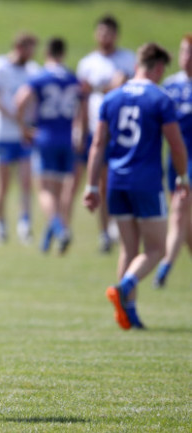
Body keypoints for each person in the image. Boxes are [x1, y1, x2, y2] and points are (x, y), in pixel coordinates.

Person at [83, 42, 189, 330]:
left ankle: (128, 313)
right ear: (157, 68)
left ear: (136, 65)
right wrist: (183, 177)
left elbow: (97, 145)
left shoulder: (111, 98)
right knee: (155, 248)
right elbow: (177, 145)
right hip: (146, 182)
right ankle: (124, 287)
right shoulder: (160, 98)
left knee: (128, 250)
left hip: (116, 182)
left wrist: (92, 186)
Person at [15, 37, 84, 254]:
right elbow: (83, 108)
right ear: (63, 54)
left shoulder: (40, 77)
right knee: (61, 191)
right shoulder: (73, 79)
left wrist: (24, 128)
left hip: (45, 137)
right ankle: (48, 239)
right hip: (68, 138)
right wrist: (80, 132)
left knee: (44, 190)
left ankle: (59, 229)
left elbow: (20, 100)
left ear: (47, 54)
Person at [75, 15, 136, 253]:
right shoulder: (88, 63)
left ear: (116, 35)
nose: (104, 37)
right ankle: (104, 232)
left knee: (118, 180)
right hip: (96, 129)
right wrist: (78, 128)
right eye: (100, 32)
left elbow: (129, 90)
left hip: (123, 130)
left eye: (109, 33)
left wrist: (106, 87)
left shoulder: (128, 59)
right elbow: (82, 99)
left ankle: (119, 226)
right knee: (100, 182)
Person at [0, 32, 40, 244]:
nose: (32, 54)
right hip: (1, 135)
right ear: (18, 46)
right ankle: (0, 225)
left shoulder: (33, 70)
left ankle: (25, 224)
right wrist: (18, 120)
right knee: (3, 186)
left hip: (24, 135)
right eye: (29, 49)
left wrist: (29, 125)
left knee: (26, 182)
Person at [153, 34, 192, 288]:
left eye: (190, 52)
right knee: (186, 221)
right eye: (183, 51)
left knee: (178, 212)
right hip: (173, 160)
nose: (186, 57)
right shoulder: (169, 85)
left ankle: (164, 267)